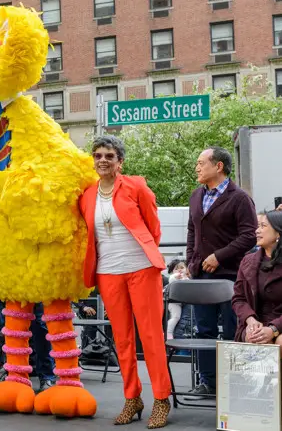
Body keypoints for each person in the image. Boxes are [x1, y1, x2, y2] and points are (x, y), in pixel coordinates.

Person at [79, 135, 171, 429]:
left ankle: (161, 399)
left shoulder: (136, 186)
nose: (102, 160)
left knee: (151, 336)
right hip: (108, 271)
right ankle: (132, 397)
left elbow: (153, 227)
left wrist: (144, 251)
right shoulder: (87, 195)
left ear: (121, 161)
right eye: (98, 155)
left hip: (141, 267)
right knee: (122, 339)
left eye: (109, 155)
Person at [185, 147, 257, 399]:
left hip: (231, 276)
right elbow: (192, 231)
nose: (197, 167)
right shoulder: (196, 196)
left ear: (218, 166)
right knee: (202, 330)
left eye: (201, 163)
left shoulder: (239, 198)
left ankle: (232, 382)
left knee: (231, 329)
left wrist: (219, 256)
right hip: (201, 277)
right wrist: (191, 262)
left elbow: (249, 235)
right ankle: (208, 382)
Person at [232, 211, 282, 345]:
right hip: (256, 322)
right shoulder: (248, 261)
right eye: (257, 226)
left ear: (278, 233)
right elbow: (238, 298)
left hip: (279, 323)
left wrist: (274, 329)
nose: (257, 231)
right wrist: (250, 320)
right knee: (256, 339)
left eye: (263, 226)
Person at [165, 259, 190, 340]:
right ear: (172, 271)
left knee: (180, 318)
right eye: (176, 268)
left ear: (186, 269)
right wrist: (176, 276)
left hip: (183, 302)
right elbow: (171, 280)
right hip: (174, 302)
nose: (179, 270)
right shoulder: (173, 278)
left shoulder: (187, 278)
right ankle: (168, 333)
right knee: (176, 317)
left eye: (182, 267)